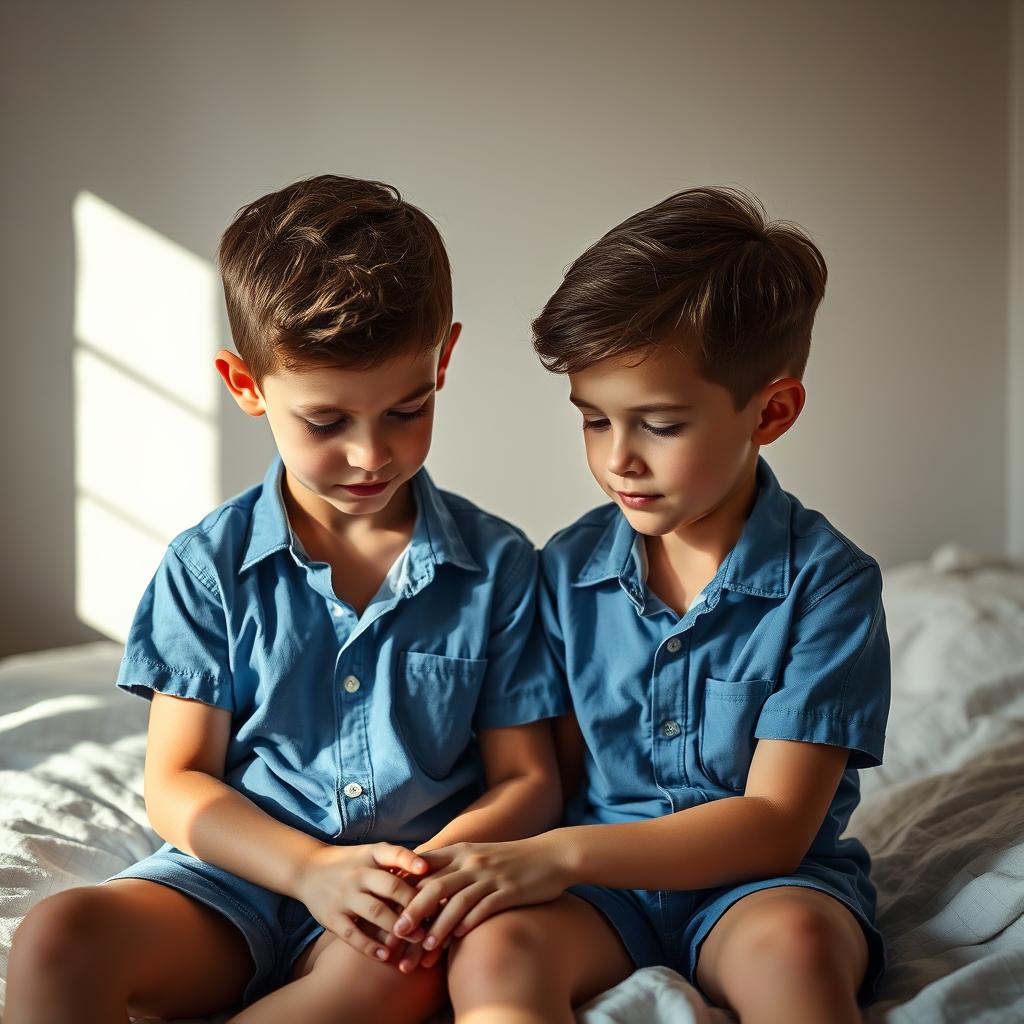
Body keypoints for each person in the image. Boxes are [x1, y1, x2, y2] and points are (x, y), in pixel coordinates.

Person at [6, 174, 566, 1024]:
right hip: (236, 879)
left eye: (407, 409)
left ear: (444, 360)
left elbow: (528, 779)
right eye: (327, 422)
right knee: (59, 935)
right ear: (246, 384)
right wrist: (308, 869)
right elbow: (178, 782)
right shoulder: (208, 568)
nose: (371, 454)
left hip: (394, 903)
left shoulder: (498, 568)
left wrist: (412, 876)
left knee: (404, 975)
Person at [389, 187, 892, 1024]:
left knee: (797, 950)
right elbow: (550, 780)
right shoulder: (564, 572)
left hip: (762, 885)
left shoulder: (830, 584)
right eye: (593, 421)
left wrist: (559, 855)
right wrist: (452, 862)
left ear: (771, 411)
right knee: (492, 949)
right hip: (597, 894)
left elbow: (774, 823)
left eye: (659, 425)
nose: (618, 458)